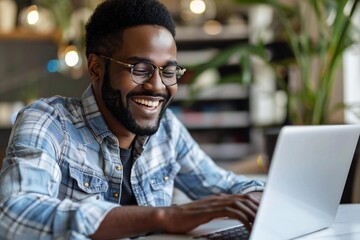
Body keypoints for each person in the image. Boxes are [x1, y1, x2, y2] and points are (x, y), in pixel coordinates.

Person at [0, 0, 265, 239]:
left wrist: (261, 198)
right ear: (95, 68)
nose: (157, 86)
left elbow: (226, 187)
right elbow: (14, 215)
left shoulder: (167, 131)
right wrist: (166, 217)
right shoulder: (49, 122)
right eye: (140, 69)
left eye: (169, 70)